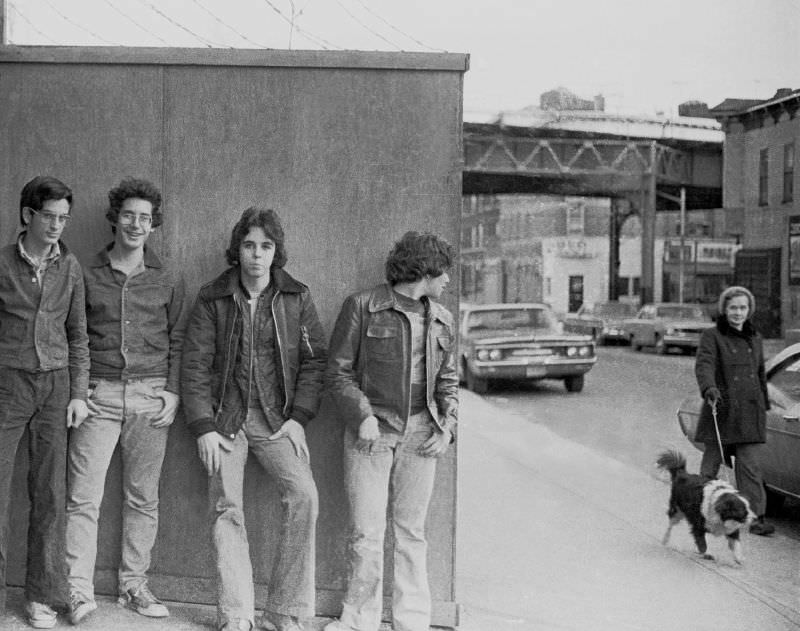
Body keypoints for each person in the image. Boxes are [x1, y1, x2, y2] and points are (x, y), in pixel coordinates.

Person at [181, 207, 327, 631]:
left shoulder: (296, 297)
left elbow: (315, 363)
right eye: (248, 245)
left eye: (265, 246)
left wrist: (299, 416)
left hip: (276, 420)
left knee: (305, 497)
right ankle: (237, 614)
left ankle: (285, 612)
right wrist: (203, 427)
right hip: (226, 421)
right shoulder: (213, 297)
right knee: (227, 508)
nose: (256, 255)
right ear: (237, 250)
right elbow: (194, 365)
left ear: (276, 251)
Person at [64, 177, 188, 624]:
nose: (136, 224)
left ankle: (134, 585)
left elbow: (178, 337)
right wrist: (79, 392)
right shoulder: (84, 271)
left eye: (146, 218)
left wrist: (172, 392)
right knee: (82, 498)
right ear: (115, 218)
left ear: (154, 224)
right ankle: (78, 591)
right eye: (129, 215)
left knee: (143, 499)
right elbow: (74, 335)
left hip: (149, 396)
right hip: (97, 395)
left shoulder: (168, 277)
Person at [324, 231, 458, 631]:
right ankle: (357, 621)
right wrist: (361, 416)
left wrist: (448, 426)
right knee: (366, 534)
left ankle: (412, 623)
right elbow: (338, 371)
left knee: (411, 533)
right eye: (444, 271)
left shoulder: (442, 319)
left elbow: (448, 380)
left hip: (422, 434)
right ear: (425, 269)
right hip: (372, 434)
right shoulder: (363, 307)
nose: (448, 280)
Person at [0, 176, 90, 629]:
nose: (56, 225)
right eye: (49, 216)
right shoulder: (1, 264)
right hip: (8, 386)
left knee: (49, 494)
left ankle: (41, 597)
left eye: (62, 218)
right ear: (27, 215)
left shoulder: (69, 267)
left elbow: (78, 334)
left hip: (55, 388)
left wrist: (77, 392)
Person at [695, 285, 775, 536]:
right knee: (710, 467)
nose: (738, 313)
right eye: (733, 308)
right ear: (724, 309)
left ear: (749, 310)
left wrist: (764, 404)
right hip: (722, 408)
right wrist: (709, 388)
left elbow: (760, 374)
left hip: (750, 413)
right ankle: (704, 514)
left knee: (750, 468)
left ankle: (756, 517)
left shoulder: (755, 338)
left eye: (743, 307)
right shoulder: (712, 336)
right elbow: (704, 365)